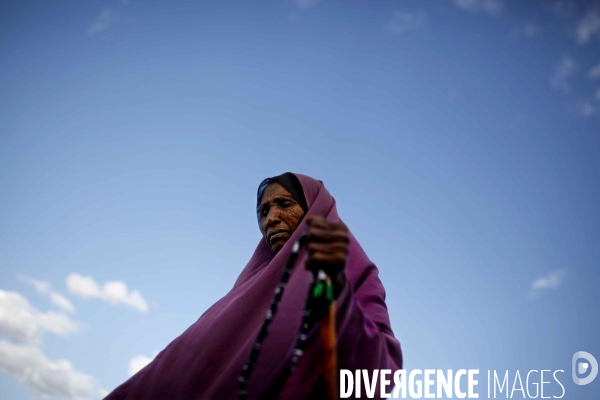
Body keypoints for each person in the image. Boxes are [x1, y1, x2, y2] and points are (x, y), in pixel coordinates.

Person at [104, 173, 402, 399]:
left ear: (315, 209)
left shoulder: (355, 272)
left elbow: (379, 374)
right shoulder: (250, 286)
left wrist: (337, 297)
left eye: (284, 204)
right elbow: (184, 363)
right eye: (263, 212)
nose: (271, 219)